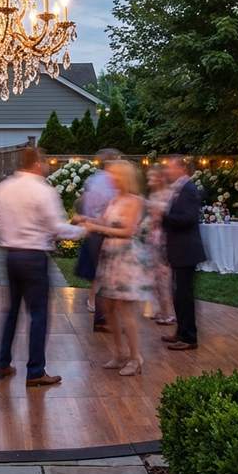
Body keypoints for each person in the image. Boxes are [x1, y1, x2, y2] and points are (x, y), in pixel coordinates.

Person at [0, 147, 84, 387]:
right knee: (39, 313)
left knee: (11, 311)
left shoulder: (1, 189)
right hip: (34, 256)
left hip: (11, 255)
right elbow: (57, 228)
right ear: (37, 164)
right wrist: (83, 230)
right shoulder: (43, 190)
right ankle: (35, 371)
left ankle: (2, 363)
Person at [79, 160, 153, 376]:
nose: (110, 179)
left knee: (125, 309)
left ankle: (135, 356)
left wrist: (96, 227)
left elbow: (129, 231)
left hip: (126, 258)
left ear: (124, 177)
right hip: (109, 257)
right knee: (108, 307)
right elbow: (103, 222)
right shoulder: (114, 200)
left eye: (114, 175)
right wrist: (86, 219)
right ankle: (119, 352)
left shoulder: (135, 201)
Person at [161, 155, 206, 350]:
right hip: (179, 249)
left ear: (181, 169)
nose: (167, 171)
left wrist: (163, 216)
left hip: (186, 250)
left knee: (184, 295)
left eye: (170, 168)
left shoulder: (189, 189)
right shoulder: (180, 188)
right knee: (178, 294)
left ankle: (189, 337)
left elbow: (188, 218)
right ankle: (180, 331)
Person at [75, 149, 120, 331]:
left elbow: (84, 203)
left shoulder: (92, 179)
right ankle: (104, 318)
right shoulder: (110, 183)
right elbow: (109, 209)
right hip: (104, 231)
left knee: (101, 274)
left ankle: (102, 314)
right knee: (106, 274)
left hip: (94, 230)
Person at [145, 166, 175, 325]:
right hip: (151, 238)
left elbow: (168, 217)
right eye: (148, 178)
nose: (149, 181)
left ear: (161, 178)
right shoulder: (153, 194)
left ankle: (169, 312)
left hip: (164, 238)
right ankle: (158, 309)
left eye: (152, 178)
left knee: (164, 277)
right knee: (153, 276)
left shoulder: (170, 195)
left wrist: (158, 216)